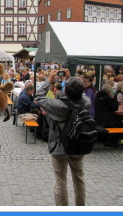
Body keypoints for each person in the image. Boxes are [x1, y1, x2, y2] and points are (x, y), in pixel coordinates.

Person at [35, 69, 90, 206]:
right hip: (78, 145)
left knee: (60, 181)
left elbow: (39, 96)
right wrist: (70, 80)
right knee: (79, 179)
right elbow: (83, 96)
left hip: (59, 147)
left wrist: (49, 80)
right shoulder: (85, 103)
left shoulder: (58, 106)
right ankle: (80, 208)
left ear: (65, 91)